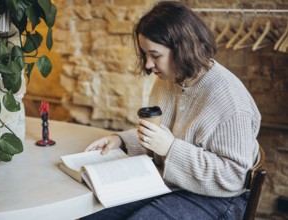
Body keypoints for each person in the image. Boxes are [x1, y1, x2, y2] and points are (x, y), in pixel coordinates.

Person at [82, 1, 261, 219]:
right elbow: (165, 134)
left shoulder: (230, 99)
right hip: (171, 180)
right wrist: (121, 140)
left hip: (220, 198)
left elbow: (235, 176)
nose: (148, 64)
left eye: (155, 55)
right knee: (91, 212)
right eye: (145, 55)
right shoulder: (169, 80)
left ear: (182, 48)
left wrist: (171, 149)